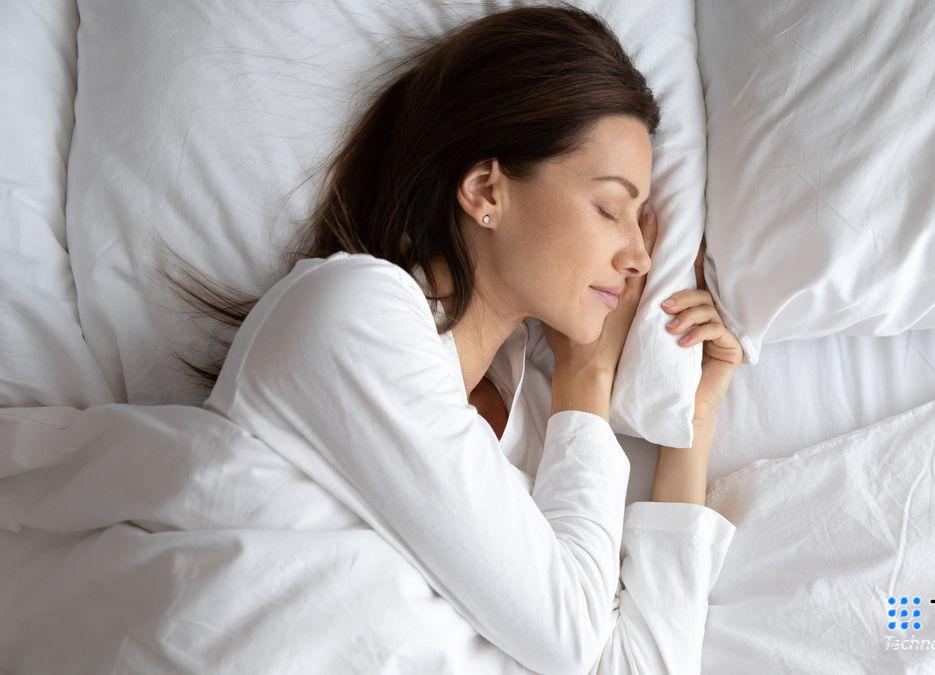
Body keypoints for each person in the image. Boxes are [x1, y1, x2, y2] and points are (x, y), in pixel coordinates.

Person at [162, 4, 744, 673]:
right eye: (611, 209)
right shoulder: (352, 314)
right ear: (484, 188)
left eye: (641, 222)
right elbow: (571, 638)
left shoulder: (530, 430)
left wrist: (690, 429)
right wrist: (587, 379)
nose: (639, 256)